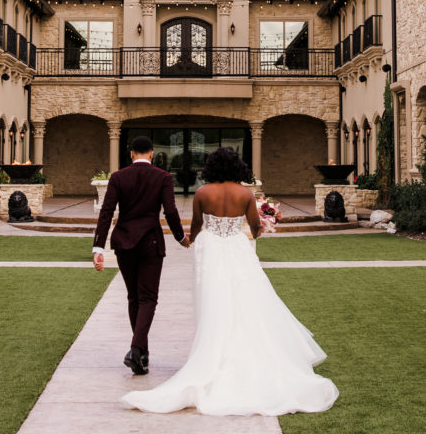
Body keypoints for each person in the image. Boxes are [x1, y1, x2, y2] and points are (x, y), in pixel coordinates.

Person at [122, 146, 338, 416]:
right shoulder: (245, 194)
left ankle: (212, 350)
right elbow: (255, 230)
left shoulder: (202, 193)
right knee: (245, 299)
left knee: (213, 299)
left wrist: (190, 240)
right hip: (237, 248)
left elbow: (198, 226)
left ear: (211, 167)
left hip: (210, 248)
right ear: (236, 167)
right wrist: (266, 221)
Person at [93, 136, 189, 375]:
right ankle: (137, 349)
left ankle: (141, 354)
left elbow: (106, 212)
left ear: (132, 154)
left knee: (134, 297)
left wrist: (98, 248)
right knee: (148, 298)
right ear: (152, 154)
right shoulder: (163, 177)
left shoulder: (118, 177)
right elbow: (170, 211)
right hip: (150, 242)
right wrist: (181, 237)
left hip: (124, 241)